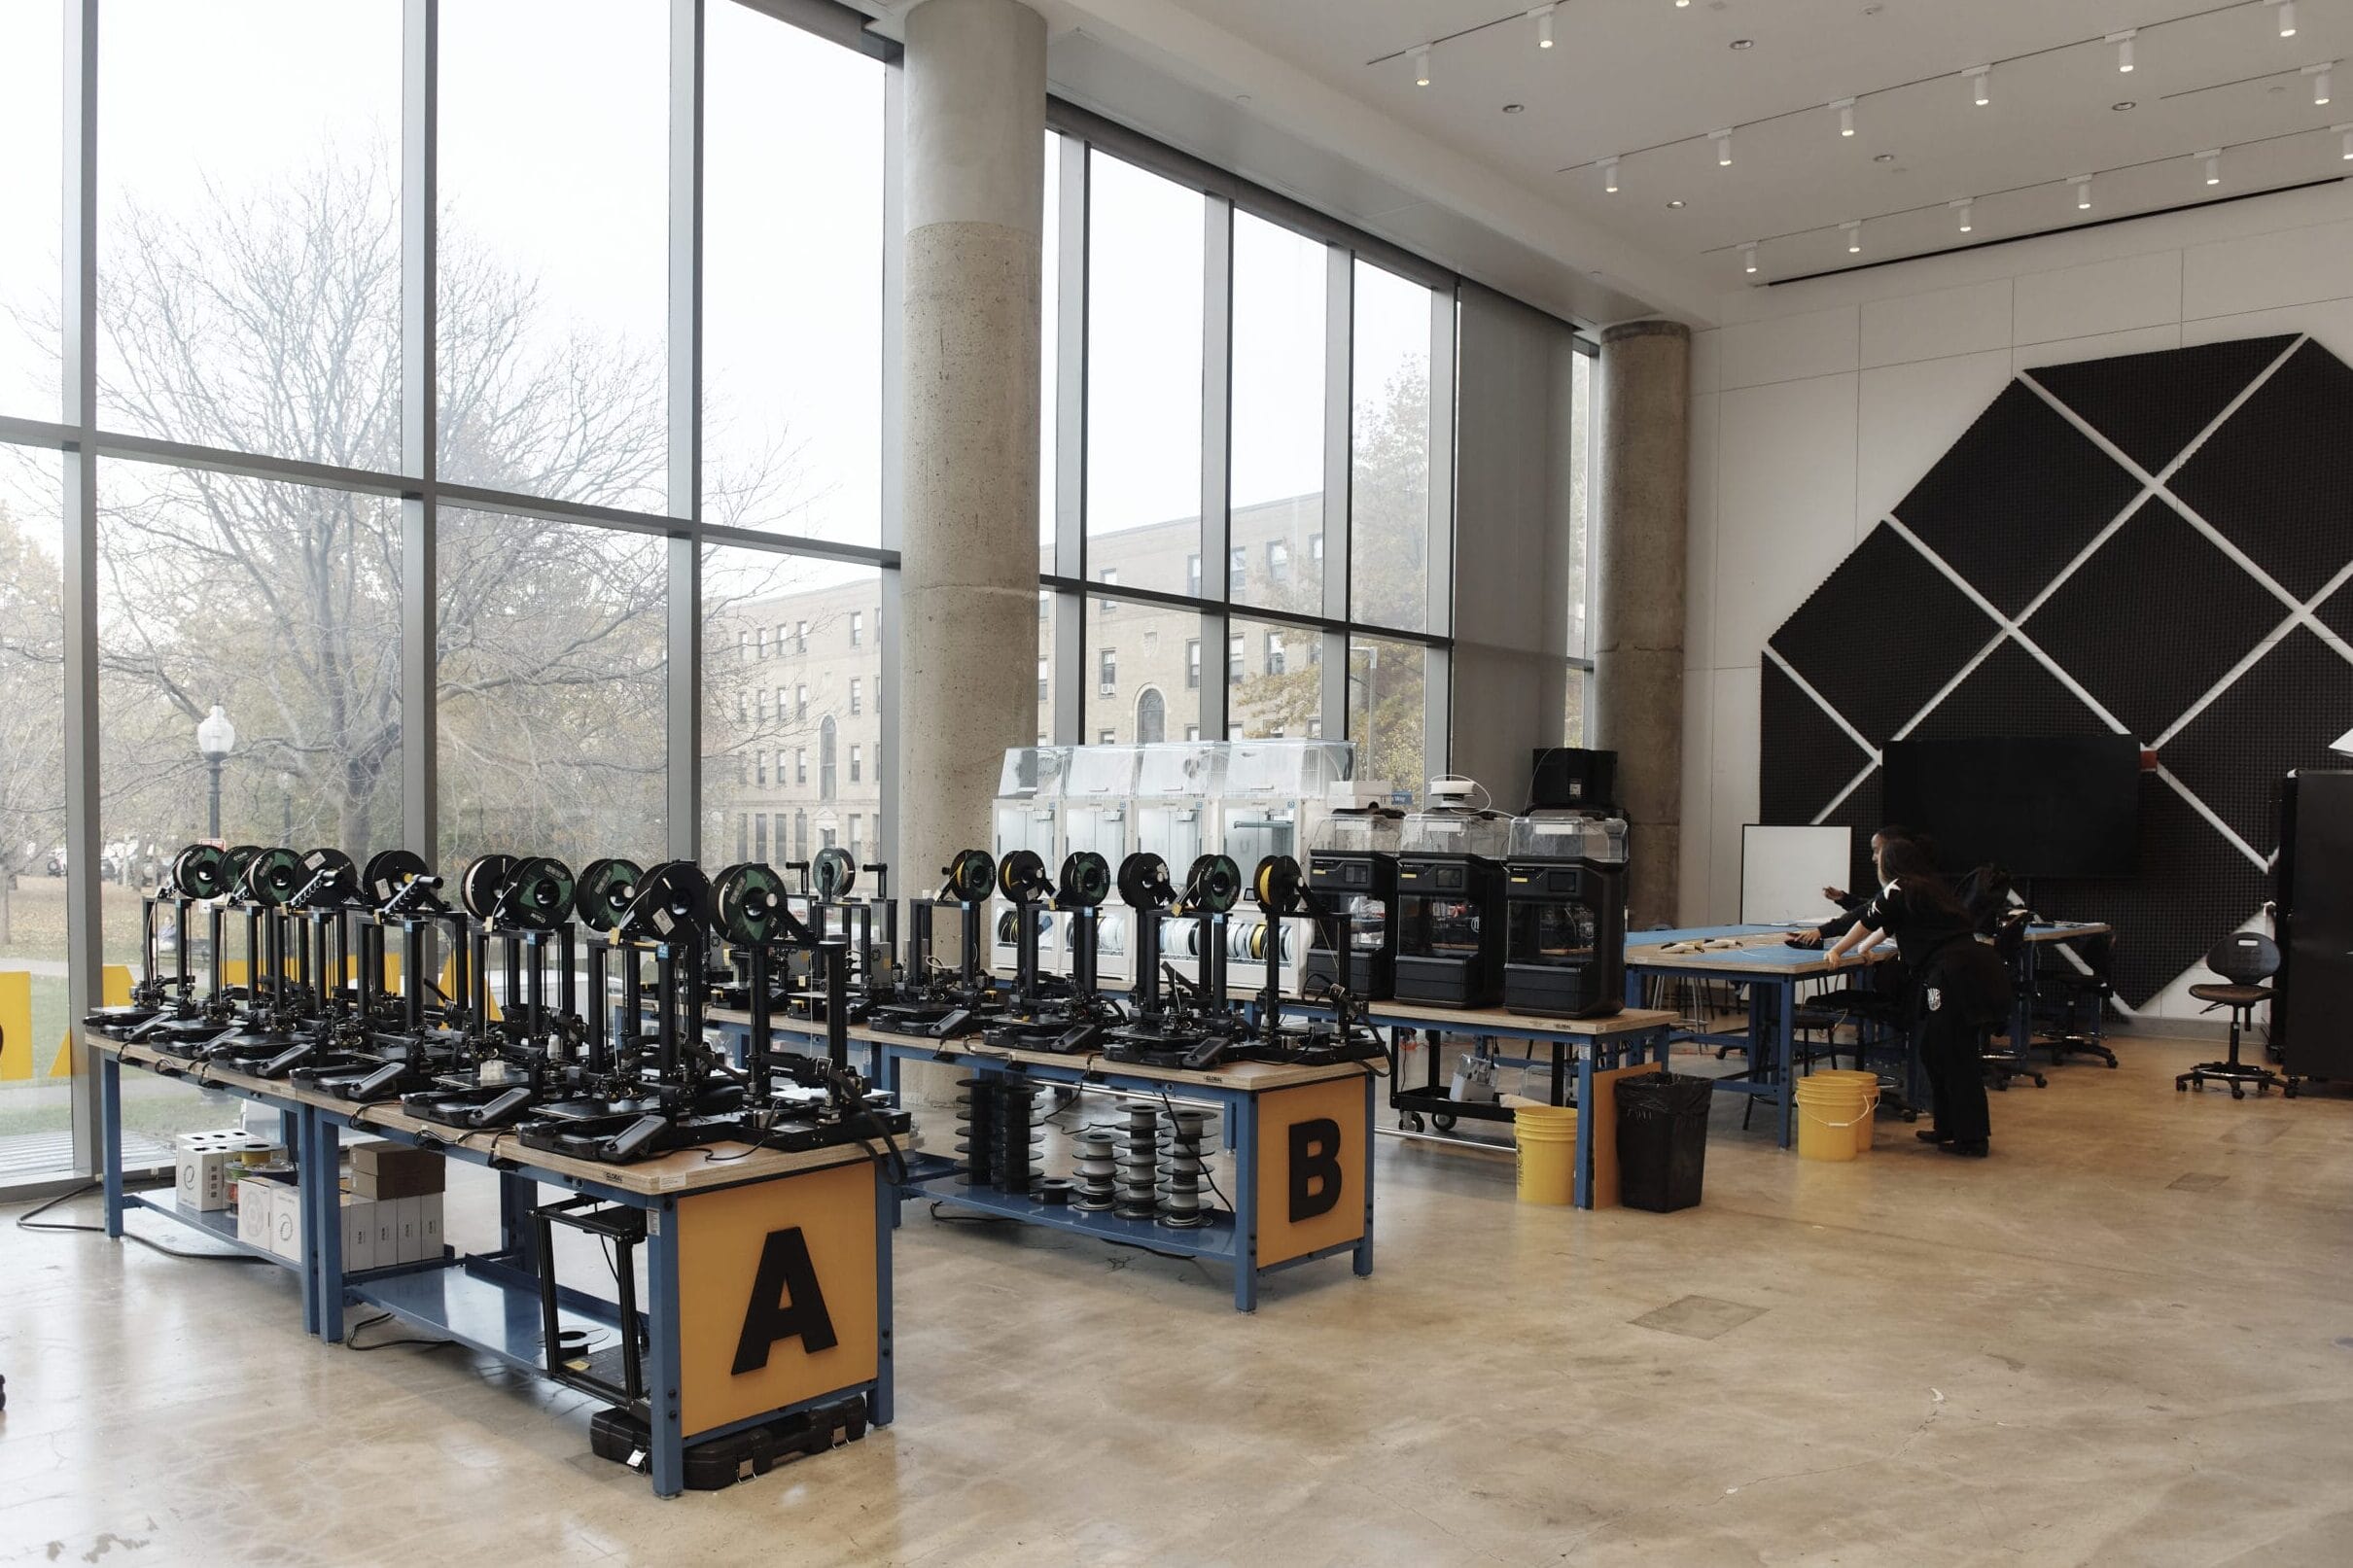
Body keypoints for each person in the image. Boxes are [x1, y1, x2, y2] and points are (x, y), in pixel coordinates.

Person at [1824, 836, 2010, 1158]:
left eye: (1878, 854)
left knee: (1954, 1054)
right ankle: (1948, 1126)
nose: (1874, 860)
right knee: (1933, 1049)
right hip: (1970, 969)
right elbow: (1887, 923)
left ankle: (1972, 1138)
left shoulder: (1899, 887)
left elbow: (1867, 918)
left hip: (1954, 974)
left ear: (1892, 862)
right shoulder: (1925, 886)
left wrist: (1838, 949)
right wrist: (1865, 949)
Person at [1787, 825, 1933, 949]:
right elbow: (1875, 909)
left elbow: (1867, 915)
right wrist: (1845, 899)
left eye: (1877, 850)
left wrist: (1822, 933)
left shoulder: (1901, 887)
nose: (1873, 858)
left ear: (1893, 849)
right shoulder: (1916, 881)